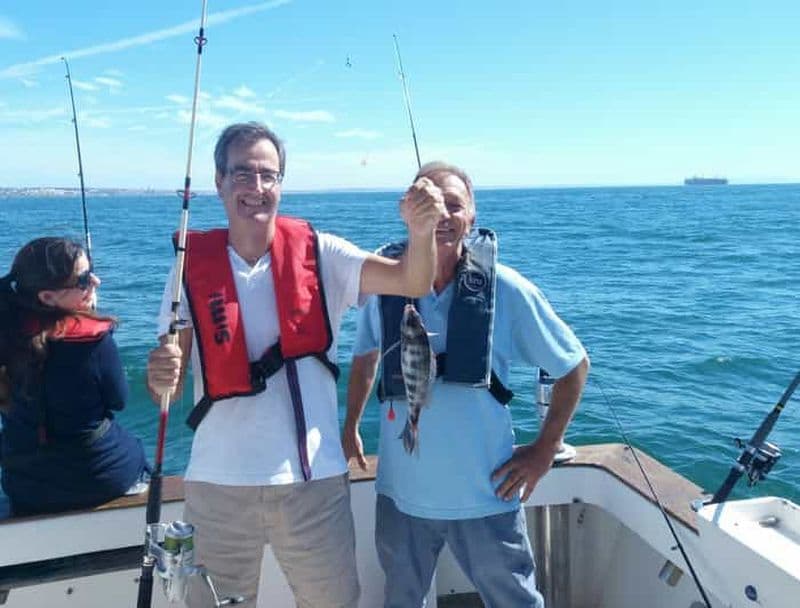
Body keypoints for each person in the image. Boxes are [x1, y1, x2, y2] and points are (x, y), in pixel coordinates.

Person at [146, 122, 447, 608]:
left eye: (269, 174)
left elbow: (412, 281)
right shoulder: (188, 266)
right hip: (217, 485)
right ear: (219, 182)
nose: (256, 187)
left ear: (281, 183)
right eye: (242, 173)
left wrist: (422, 229)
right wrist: (160, 372)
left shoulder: (322, 253)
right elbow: (170, 385)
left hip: (314, 484)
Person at [343, 161, 590, 608]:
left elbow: (573, 366)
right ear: (409, 212)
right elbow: (364, 359)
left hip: (486, 494)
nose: (442, 216)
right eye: (430, 204)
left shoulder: (506, 289)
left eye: (453, 205)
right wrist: (350, 425)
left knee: (515, 601)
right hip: (402, 495)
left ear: (472, 217)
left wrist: (543, 449)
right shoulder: (385, 285)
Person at [0, 237, 149, 516]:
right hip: (98, 476)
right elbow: (119, 400)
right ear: (47, 297)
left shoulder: (6, 333)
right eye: (83, 280)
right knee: (137, 450)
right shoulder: (94, 342)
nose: (96, 281)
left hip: (26, 484)